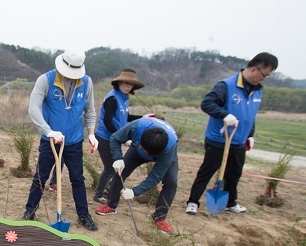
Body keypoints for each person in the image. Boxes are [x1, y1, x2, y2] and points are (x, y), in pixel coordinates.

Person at [185, 52, 279, 215]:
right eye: (264, 75)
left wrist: (250, 134)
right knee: (207, 171)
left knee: (234, 173)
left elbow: (251, 115)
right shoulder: (226, 86)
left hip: (239, 141)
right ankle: (193, 202)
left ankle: (230, 202)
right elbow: (207, 103)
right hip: (218, 138)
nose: (264, 79)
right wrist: (224, 115)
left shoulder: (257, 91)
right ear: (254, 70)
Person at [21, 50, 99, 231]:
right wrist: (48, 132)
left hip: (74, 140)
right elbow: (33, 109)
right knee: (40, 177)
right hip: (50, 141)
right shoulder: (45, 80)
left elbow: (90, 110)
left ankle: (83, 215)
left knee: (78, 178)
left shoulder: (86, 82)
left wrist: (91, 134)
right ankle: (30, 212)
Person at [96, 117, 179, 234]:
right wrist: (118, 158)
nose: (142, 149)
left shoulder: (168, 150)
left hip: (164, 153)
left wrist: (135, 192)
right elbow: (115, 138)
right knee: (121, 172)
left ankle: (159, 218)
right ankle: (111, 205)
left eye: (144, 150)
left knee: (171, 182)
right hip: (137, 149)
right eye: (142, 146)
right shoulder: (137, 127)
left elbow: (155, 177)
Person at [93, 68, 148, 206]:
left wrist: (143, 118)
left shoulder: (124, 99)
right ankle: (99, 194)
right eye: (125, 83)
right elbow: (107, 121)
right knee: (110, 167)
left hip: (115, 137)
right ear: (118, 83)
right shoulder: (112, 98)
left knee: (115, 166)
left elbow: (126, 117)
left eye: (130, 85)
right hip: (105, 137)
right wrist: (122, 137)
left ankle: (106, 189)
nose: (128, 87)